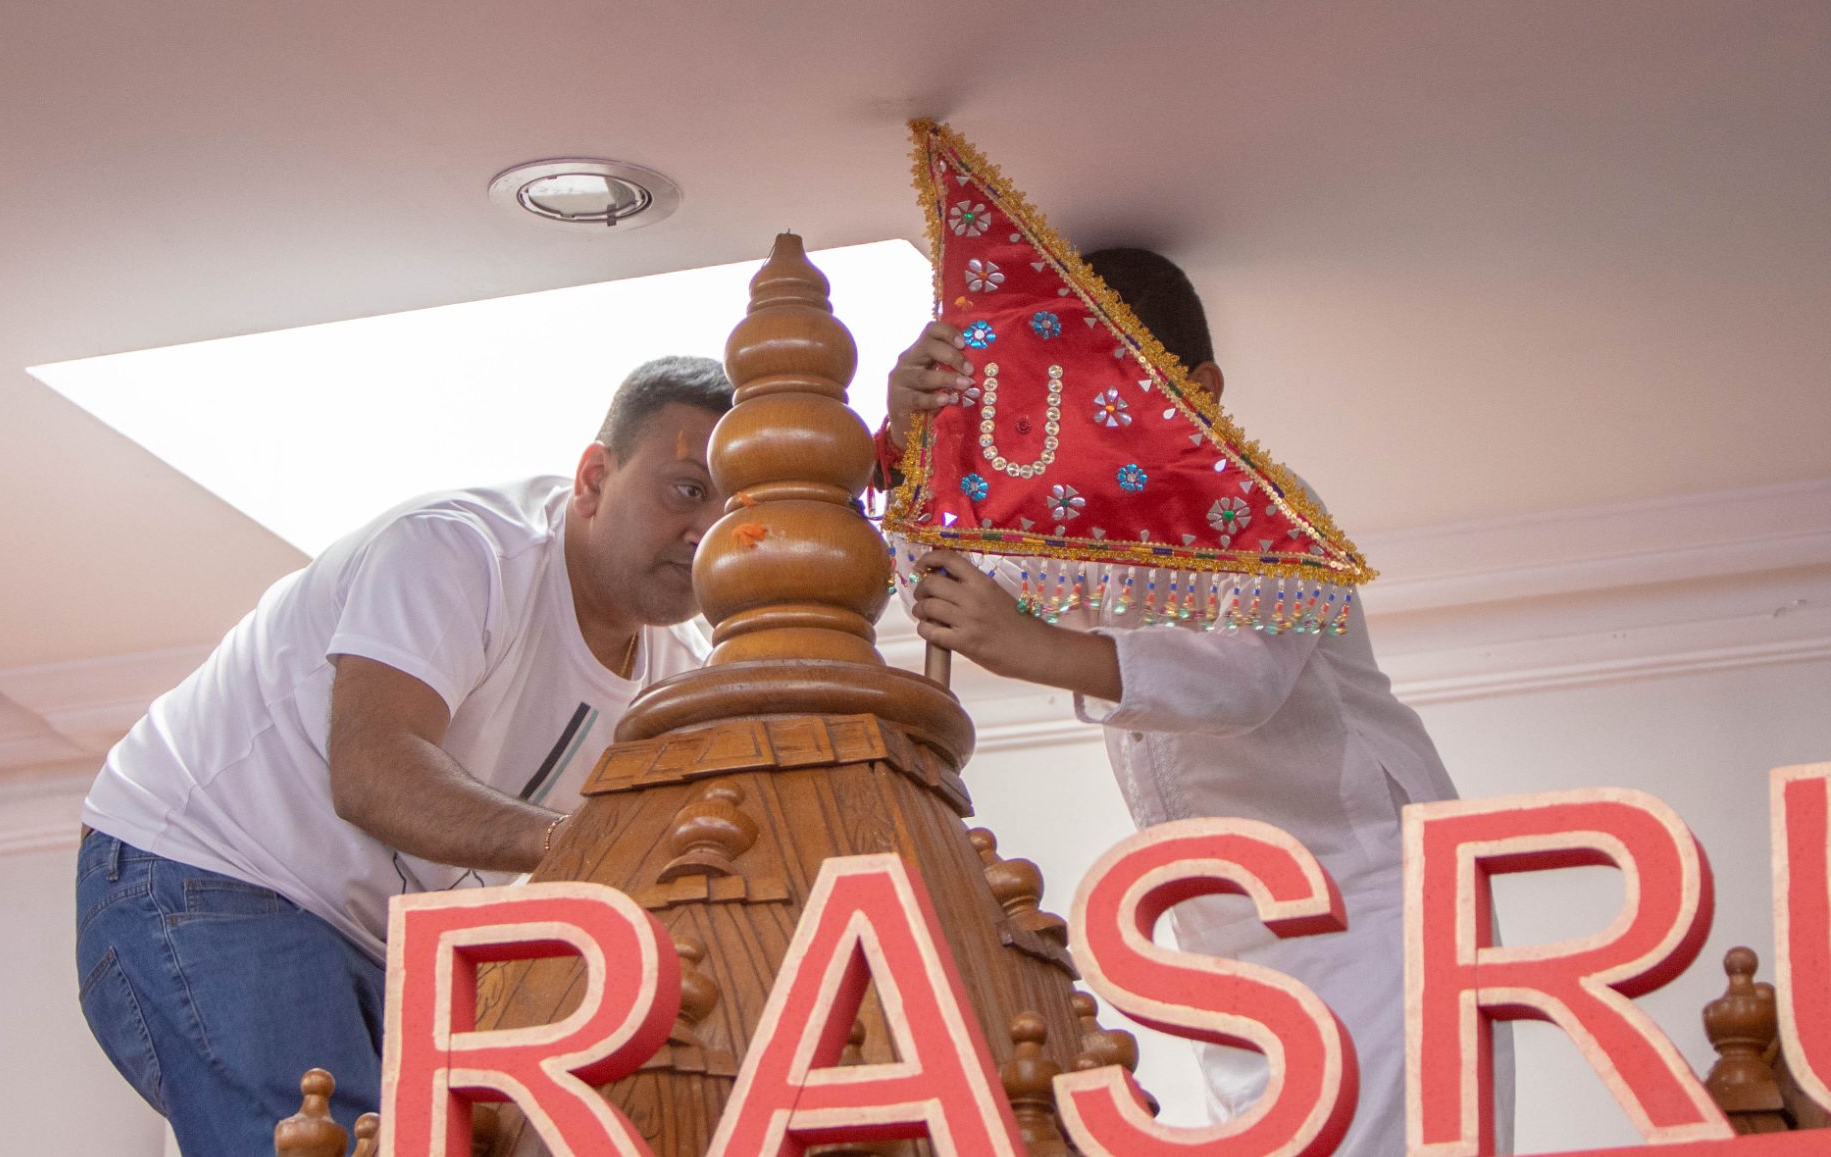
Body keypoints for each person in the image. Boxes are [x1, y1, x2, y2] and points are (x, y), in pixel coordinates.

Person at [883, 247, 1512, 1154]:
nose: (1094, 427)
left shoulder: (1271, 508)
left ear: (1203, 390)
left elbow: (1243, 677)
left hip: (1372, 897)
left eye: (1121, 393)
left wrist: (1039, 648)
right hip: (1224, 939)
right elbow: (938, 579)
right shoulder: (1085, 539)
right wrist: (915, 436)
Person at [75, 356, 732, 1152]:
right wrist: (582, 846)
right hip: (211, 869)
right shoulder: (459, 550)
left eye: (732, 507)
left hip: (389, 943)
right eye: (688, 489)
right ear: (594, 476)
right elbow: (374, 773)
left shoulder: (683, 669)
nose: (706, 529)